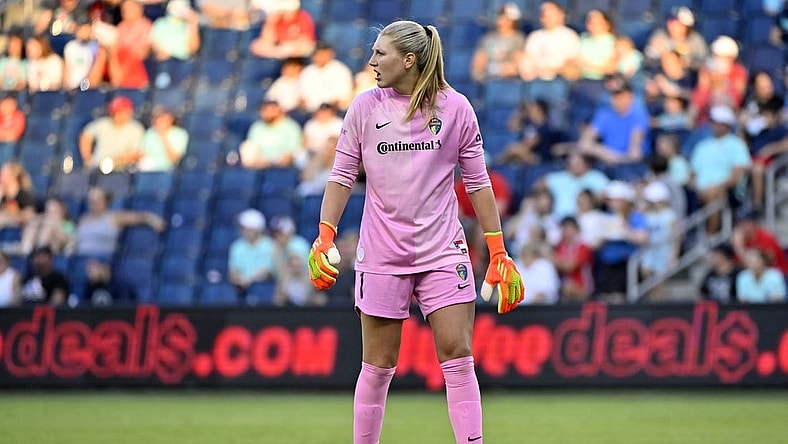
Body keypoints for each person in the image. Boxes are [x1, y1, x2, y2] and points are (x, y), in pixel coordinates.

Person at [305, 21, 524, 444]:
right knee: (378, 364)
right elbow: (342, 174)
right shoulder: (365, 108)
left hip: (443, 250)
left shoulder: (455, 107)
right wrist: (325, 235)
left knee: (458, 355)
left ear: (409, 60)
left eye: (380, 54)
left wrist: (498, 252)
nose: (371, 62)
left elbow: (478, 182)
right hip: (382, 253)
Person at [688, 105, 751, 233]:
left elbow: (737, 174)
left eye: (718, 123)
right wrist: (696, 187)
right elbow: (692, 174)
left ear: (726, 125)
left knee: (713, 194)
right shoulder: (702, 146)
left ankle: (711, 237)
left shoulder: (736, 144)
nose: (715, 126)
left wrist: (716, 187)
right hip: (699, 189)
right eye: (714, 122)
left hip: (726, 190)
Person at [74, 186, 166, 259]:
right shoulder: (83, 219)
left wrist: (152, 220)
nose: (92, 204)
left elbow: (139, 217)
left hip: (102, 260)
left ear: (105, 202)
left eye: (96, 201)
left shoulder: (114, 217)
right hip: (81, 259)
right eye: (90, 201)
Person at [79, 95, 145, 171]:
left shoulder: (136, 129)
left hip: (123, 170)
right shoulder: (103, 124)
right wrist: (87, 158)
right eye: (116, 112)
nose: (118, 115)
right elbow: (86, 135)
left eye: (123, 112)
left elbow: (136, 153)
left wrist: (114, 162)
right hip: (97, 167)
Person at [469, 2, 525, 83]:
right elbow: (478, 61)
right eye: (500, 16)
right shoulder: (487, 38)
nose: (501, 19)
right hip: (489, 77)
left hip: (509, 80)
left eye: (504, 17)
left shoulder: (518, 38)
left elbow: (519, 61)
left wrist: (508, 69)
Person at [239, 99, 303, 169]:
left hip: (280, 159)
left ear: (278, 110)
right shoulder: (257, 127)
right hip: (261, 159)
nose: (267, 113)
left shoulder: (291, 127)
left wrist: (287, 157)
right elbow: (252, 145)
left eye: (270, 110)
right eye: (265, 111)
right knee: (246, 147)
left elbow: (294, 148)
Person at [643, 6, 708, 72]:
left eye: (676, 22)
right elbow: (647, 59)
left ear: (686, 26)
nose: (671, 25)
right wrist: (656, 51)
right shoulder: (660, 35)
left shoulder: (696, 39)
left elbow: (704, 62)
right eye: (670, 21)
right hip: (662, 75)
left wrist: (687, 62)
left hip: (689, 76)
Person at [228, 208, 276, 296]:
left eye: (246, 228)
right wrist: (239, 280)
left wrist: (248, 280)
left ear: (256, 229)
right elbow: (233, 272)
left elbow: (267, 272)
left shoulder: (270, 245)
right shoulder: (237, 246)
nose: (243, 231)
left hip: (264, 289)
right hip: (240, 289)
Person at [298, 41, 354, 113]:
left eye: (324, 53)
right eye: (318, 54)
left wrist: (327, 110)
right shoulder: (307, 71)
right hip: (312, 112)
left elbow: (342, 98)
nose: (320, 56)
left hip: (334, 111)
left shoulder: (341, 70)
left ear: (331, 54)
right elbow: (303, 98)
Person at [107, 0, 153, 89]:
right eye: (124, 10)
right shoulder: (121, 27)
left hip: (135, 69)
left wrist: (125, 50)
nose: (126, 12)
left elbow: (141, 53)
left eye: (130, 9)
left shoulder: (146, 26)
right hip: (118, 63)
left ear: (140, 9)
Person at [248, 0, 316, 59]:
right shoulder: (277, 19)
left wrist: (287, 46)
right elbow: (267, 40)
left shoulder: (302, 17)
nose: (284, 13)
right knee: (256, 46)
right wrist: (270, 23)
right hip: (279, 47)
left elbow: (305, 40)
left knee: (304, 48)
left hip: (295, 47)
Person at [730, 210, 788, 274]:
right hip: (755, 277)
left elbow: (762, 265)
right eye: (739, 223)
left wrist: (739, 248)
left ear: (754, 223)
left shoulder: (766, 237)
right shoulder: (741, 239)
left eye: (745, 223)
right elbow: (736, 264)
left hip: (778, 274)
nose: (742, 227)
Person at [552, 215, 594, 303]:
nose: (567, 231)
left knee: (566, 287)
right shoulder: (560, 247)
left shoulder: (583, 246)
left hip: (583, 287)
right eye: (564, 228)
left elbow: (570, 266)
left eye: (569, 228)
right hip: (565, 286)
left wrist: (555, 260)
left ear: (576, 229)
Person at [62, 14, 107, 90]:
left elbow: (94, 79)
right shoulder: (70, 47)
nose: (82, 31)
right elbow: (66, 75)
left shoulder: (97, 48)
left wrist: (82, 89)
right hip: (72, 91)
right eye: (80, 28)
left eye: (85, 27)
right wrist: (69, 91)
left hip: (89, 91)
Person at [137, 106, 189, 171]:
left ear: (171, 119)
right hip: (148, 169)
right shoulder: (150, 133)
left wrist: (163, 137)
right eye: (158, 118)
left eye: (163, 118)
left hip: (168, 170)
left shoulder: (180, 134)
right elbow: (142, 153)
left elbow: (174, 158)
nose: (160, 120)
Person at [0, 161, 36, 229]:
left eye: (3, 174)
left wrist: (12, 216)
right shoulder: (3, 194)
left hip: (19, 229)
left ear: (12, 176)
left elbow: (30, 215)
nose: (1, 177)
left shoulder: (23, 194)